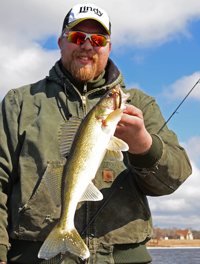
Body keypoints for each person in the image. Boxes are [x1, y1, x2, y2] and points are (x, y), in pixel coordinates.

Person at [0, 3, 192, 264]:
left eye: (98, 39)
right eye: (78, 37)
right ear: (61, 42)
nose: (87, 46)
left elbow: (174, 179)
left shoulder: (140, 105)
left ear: (108, 47)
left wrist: (143, 144)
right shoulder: (20, 102)